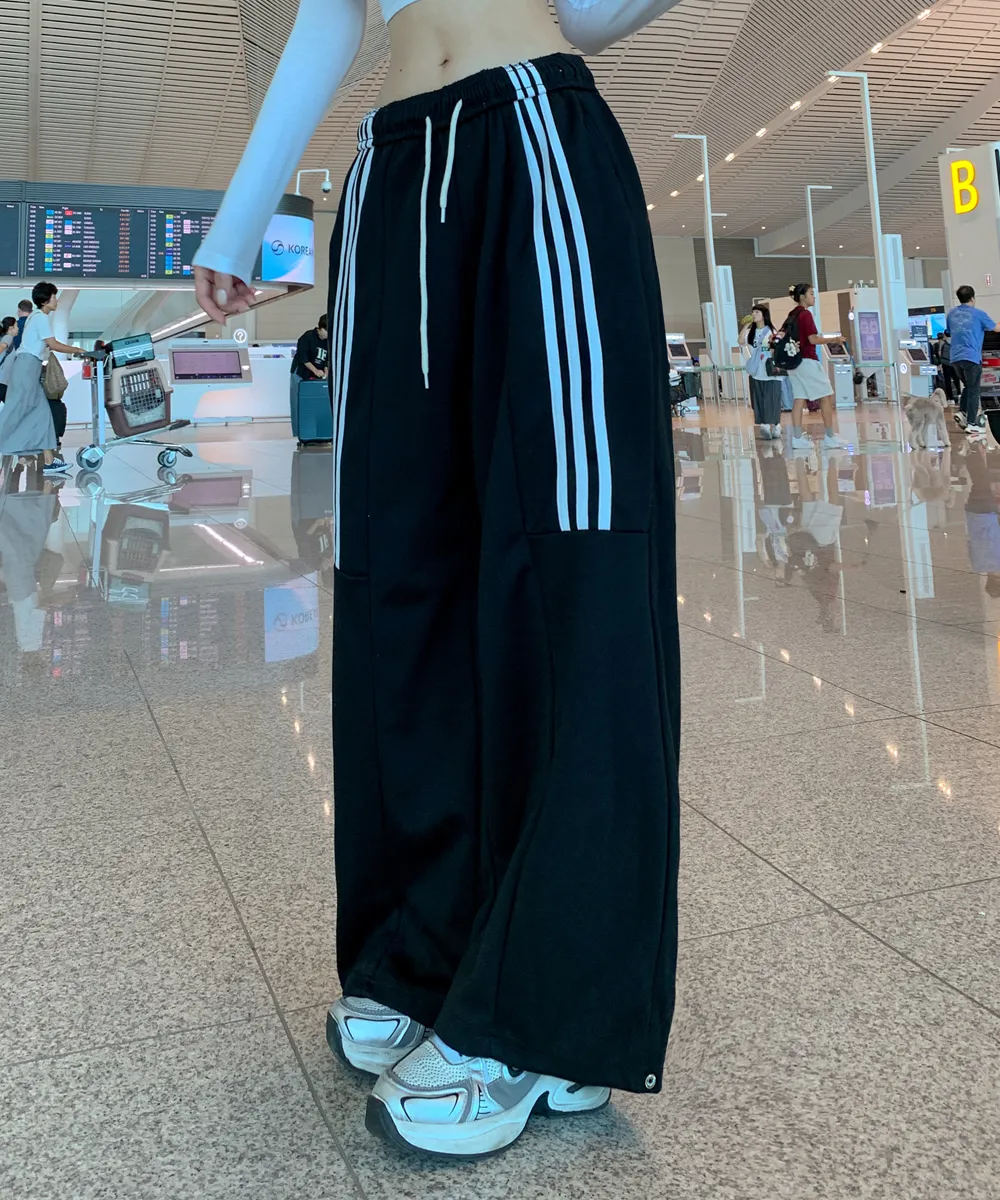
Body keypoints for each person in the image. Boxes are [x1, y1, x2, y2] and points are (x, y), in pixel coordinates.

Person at [193, 0, 683, 1161]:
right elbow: (330, 16)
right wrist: (240, 216)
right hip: (393, 172)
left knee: (568, 555)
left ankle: (544, 1011)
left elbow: (588, 15)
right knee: (395, 562)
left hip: (535, 134)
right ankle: (424, 952)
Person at [0, 282, 84, 474]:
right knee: (14, 410)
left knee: (42, 413)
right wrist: (77, 350)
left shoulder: (36, 317)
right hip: (26, 368)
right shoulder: (40, 318)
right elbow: (53, 344)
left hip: (29, 367)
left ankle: (49, 461)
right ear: (46, 300)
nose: (56, 300)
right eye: (54, 296)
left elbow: (43, 344)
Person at [946, 285, 999, 433]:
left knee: (968, 386)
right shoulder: (978, 314)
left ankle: (962, 412)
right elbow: (996, 328)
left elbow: (949, 332)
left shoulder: (951, 314)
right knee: (974, 389)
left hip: (955, 358)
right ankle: (971, 423)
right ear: (973, 298)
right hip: (971, 357)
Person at [741, 304, 782, 440]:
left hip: (770, 370)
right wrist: (746, 326)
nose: (754, 315)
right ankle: (764, 424)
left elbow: (776, 348)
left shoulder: (771, 331)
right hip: (756, 370)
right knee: (759, 398)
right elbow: (740, 341)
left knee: (772, 398)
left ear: (764, 315)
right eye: (753, 312)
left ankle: (775, 424)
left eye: (757, 312)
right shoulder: (751, 333)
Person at [292, 313, 329, 381]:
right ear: (321, 328)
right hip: (301, 373)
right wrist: (315, 371)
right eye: (327, 331)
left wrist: (326, 370)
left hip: (318, 375)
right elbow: (303, 358)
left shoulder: (329, 341)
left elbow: (327, 359)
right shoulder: (308, 336)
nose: (329, 334)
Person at [0, 316, 17, 402]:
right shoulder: (8, 337)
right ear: (10, 328)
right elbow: (2, 347)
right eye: (16, 326)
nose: (18, 329)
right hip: (2, 379)